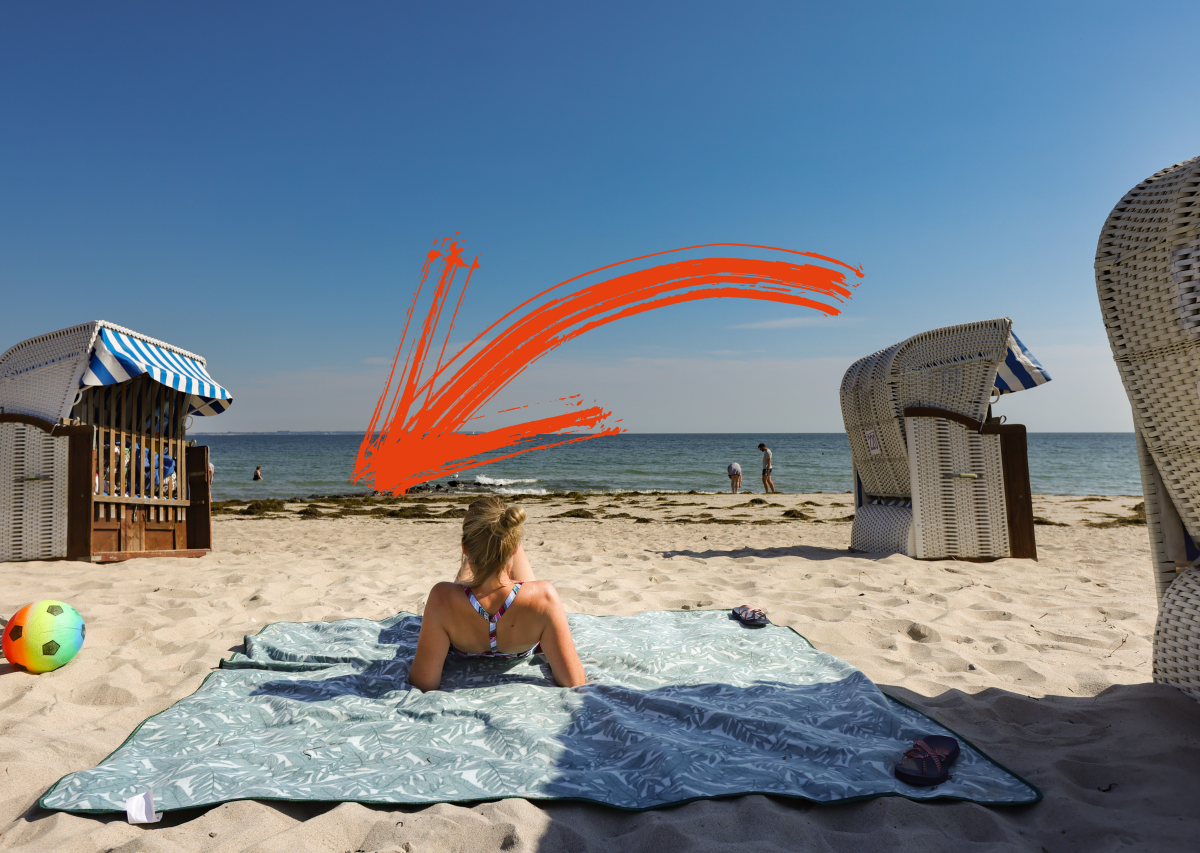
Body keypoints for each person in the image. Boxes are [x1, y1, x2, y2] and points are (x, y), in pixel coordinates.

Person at [408, 496, 586, 692]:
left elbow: (423, 682)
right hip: (519, 632)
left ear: (464, 547)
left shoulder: (441, 597)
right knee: (502, 559)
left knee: (471, 572)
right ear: (515, 549)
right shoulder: (543, 597)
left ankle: (482, 554)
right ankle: (497, 550)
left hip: (464, 629)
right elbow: (574, 680)